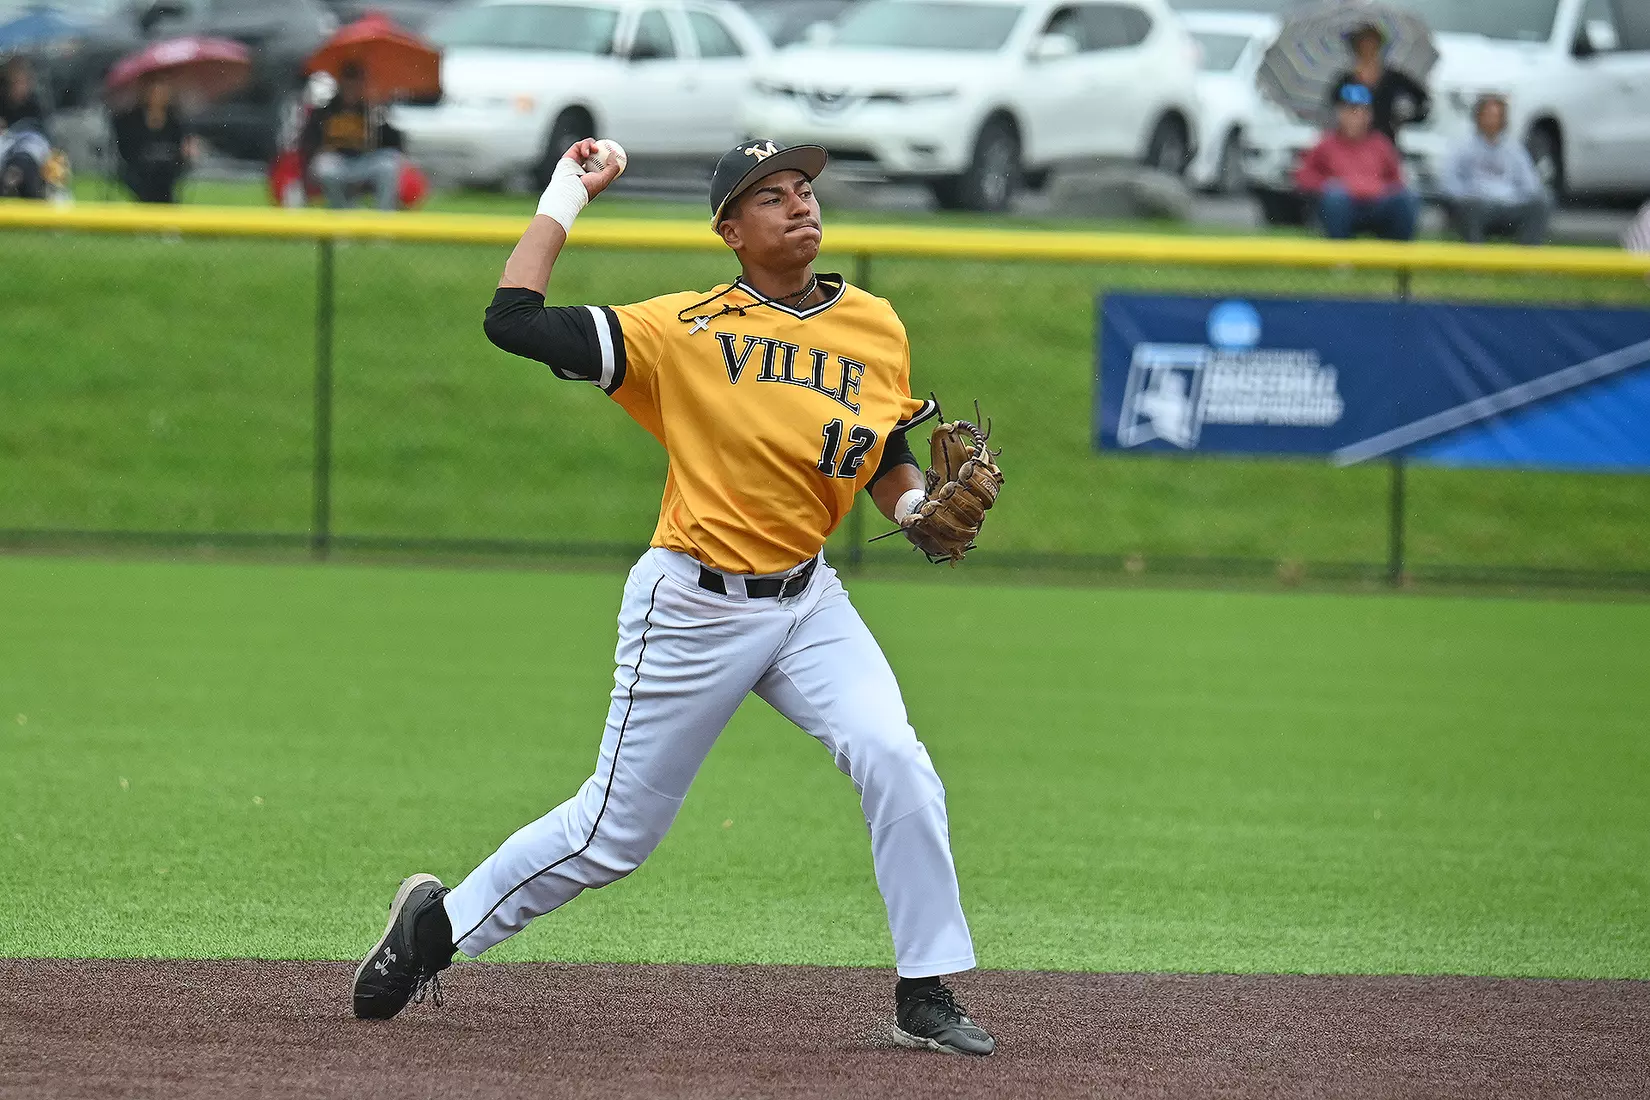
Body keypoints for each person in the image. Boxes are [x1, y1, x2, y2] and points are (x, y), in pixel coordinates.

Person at [348, 137, 999, 1057]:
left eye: (804, 189)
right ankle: (432, 934)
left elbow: (880, 450)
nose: (799, 206)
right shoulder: (679, 330)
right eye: (770, 196)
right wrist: (564, 191)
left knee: (895, 757)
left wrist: (919, 505)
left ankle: (925, 992)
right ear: (730, 231)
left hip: (808, 602)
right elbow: (513, 319)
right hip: (694, 604)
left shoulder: (874, 326)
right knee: (613, 836)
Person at [1296, 83, 1420, 241]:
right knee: (1335, 197)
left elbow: (1397, 180)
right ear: (1340, 113)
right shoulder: (1326, 144)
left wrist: (1378, 189)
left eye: (1362, 110)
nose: (1356, 116)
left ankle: (1401, 259)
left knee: (1406, 197)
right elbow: (1303, 176)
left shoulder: (1381, 144)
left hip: (1377, 204)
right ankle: (1340, 260)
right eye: (1350, 110)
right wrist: (1329, 185)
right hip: (1344, 206)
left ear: (1369, 114)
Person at [1441, 93, 1549, 246]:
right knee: (1470, 209)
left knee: (1541, 203)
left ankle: (1528, 260)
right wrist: (1466, 197)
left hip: (1510, 205)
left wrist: (1515, 199)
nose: (1492, 120)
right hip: (1477, 205)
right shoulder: (1463, 148)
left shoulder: (1514, 149)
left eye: (1496, 116)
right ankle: (1476, 260)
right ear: (1478, 117)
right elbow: (1449, 182)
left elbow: (1530, 184)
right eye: (1488, 115)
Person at [299, 60, 402, 210]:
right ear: (340, 85)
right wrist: (320, 148)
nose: (351, 89)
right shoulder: (325, 113)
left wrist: (379, 115)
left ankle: (383, 222)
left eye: (356, 84)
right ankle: (341, 215)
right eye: (348, 84)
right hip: (337, 164)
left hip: (364, 163)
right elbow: (308, 142)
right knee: (325, 167)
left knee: (388, 166)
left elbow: (395, 145)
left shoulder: (372, 111)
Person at [1327, 21, 1429, 144]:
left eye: (1372, 43)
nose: (1368, 48)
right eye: (1363, 43)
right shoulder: (1346, 80)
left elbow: (1421, 99)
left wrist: (1403, 119)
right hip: (1352, 143)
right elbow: (1333, 105)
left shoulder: (1394, 77)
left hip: (1384, 140)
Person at [113, 76, 195, 204]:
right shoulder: (130, 120)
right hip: (140, 170)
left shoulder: (175, 120)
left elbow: (179, 146)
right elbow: (127, 149)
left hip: (167, 170)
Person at [0, 56, 51, 199]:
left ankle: (15, 174)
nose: (19, 88)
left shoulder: (35, 105)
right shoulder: (3, 101)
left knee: (29, 151)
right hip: (5, 145)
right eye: (15, 83)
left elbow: (40, 135)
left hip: (26, 149)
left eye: (23, 82)